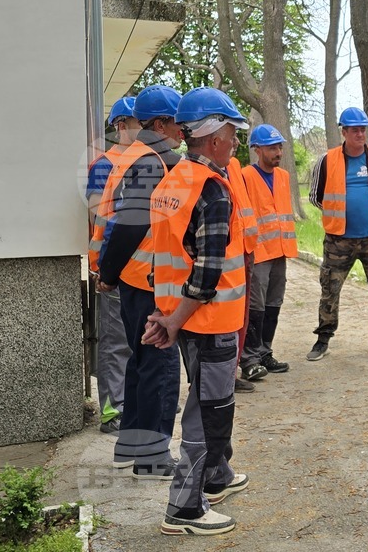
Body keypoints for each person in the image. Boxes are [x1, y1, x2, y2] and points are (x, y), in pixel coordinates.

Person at [143, 86, 252, 536]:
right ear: (213, 137)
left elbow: (162, 258)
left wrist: (167, 316)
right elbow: (206, 276)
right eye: (232, 133)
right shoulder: (213, 191)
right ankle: (185, 508)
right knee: (208, 412)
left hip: (182, 319)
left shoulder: (174, 180)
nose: (235, 143)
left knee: (207, 405)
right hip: (208, 322)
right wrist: (172, 319)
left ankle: (216, 476)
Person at [95, 85, 183, 479]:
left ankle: (131, 444)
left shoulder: (133, 156)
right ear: (161, 123)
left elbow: (120, 224)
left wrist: (110, 273)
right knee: (159, 369)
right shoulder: (153, 162)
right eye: (177, 121)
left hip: (134, 278)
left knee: (140, 363)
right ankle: (152, 458)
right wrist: (110, 276)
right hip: (149, 282)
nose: (183, 130)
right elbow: (132, 226)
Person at [307, 107, 368, 361]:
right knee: (330, 288)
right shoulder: (327, 160)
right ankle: (323, 338)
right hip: (339, 240)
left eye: (363, 129)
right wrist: (339, 215)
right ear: (344, 132)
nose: (360, 134)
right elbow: (315, 197)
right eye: (355, 130)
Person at [87, 97, 137, 434]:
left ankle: (131, 401)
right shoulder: (104, 166)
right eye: (138, 123)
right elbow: (99, 219)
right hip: (112, 268)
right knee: (115, 343)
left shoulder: (145, 161)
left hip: (140, 269)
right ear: (120, 126)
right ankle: (111, 410)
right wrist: (107, 268)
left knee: (136, 341)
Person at [240, 124, 298, 380]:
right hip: (257, 253)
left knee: (274, 304)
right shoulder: (245, 176)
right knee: (256, 306)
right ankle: (249, 359)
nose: (278, 152)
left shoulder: (283, 177)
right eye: (272, 147)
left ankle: (265, 353)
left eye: (280, 147)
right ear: (257, 149)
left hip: (280, 251)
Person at [225, 156, 259, 393]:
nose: (235, 141)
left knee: (240, 318)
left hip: (243, 251)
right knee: (225, 319)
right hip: (226, 256)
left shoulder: (233, 165)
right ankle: (224, 375)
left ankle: (231, 371)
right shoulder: (204, 170)